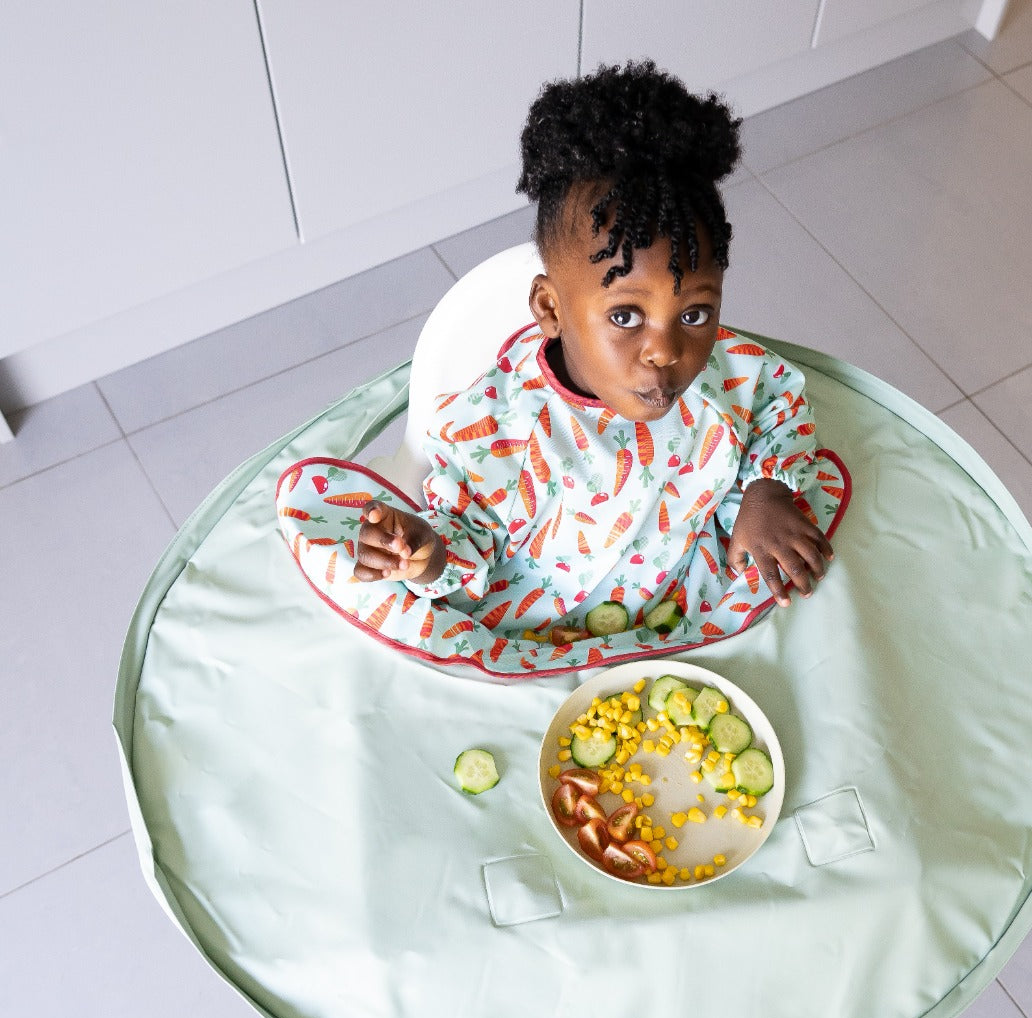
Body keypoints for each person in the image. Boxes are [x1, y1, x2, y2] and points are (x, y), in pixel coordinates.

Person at [276, 61, 848, 671]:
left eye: (695, 313)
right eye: (626, 317)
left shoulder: (728, 377)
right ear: (550, 307)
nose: (667, 352)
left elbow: (779, 403)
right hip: (539, 630)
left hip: (685, 603)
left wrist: (766, 491)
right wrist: (430, 554)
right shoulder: (497, 427)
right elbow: (472, 539)